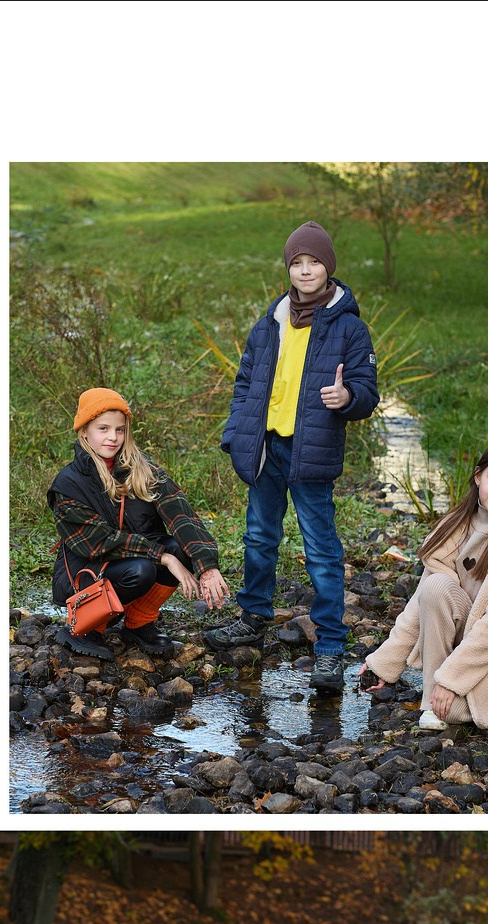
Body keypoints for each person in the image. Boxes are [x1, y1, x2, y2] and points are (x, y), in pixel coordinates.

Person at [211, 220, 380, 692]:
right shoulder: (271, 323)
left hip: (312, 454)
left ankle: (329, 645)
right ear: (289, 268)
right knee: (259, 536)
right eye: (297, 262)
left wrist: (347, 397)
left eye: (315, 262)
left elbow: (368, 391)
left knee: (321, 551)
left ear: (329, 268)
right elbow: (246, 384)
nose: (306, 270)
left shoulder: (349, 328)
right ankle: (253, 617)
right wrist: (235, 435)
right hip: (267, 447)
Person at [359, 438, 488, 729]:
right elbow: (422, 599)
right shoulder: (456, 525)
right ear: (478, 477)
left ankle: (440, 698)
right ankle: (432, 702)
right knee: (435, 587)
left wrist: (451, 681)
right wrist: (385, 662)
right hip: (468, 643)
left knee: (454, 711)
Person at [47, 388, 230, 660]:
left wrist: (208, 567)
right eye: (103, 428)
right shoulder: (68, 484)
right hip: (84, 572)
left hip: (132, 557)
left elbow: (183, 517)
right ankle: (85, 627)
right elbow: (99, 543)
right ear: (84, 431)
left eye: (120, 430)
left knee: (181, 548)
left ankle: (139, 622)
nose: (113, 437)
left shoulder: (144, 470)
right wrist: (163, 558)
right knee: (143, 568)